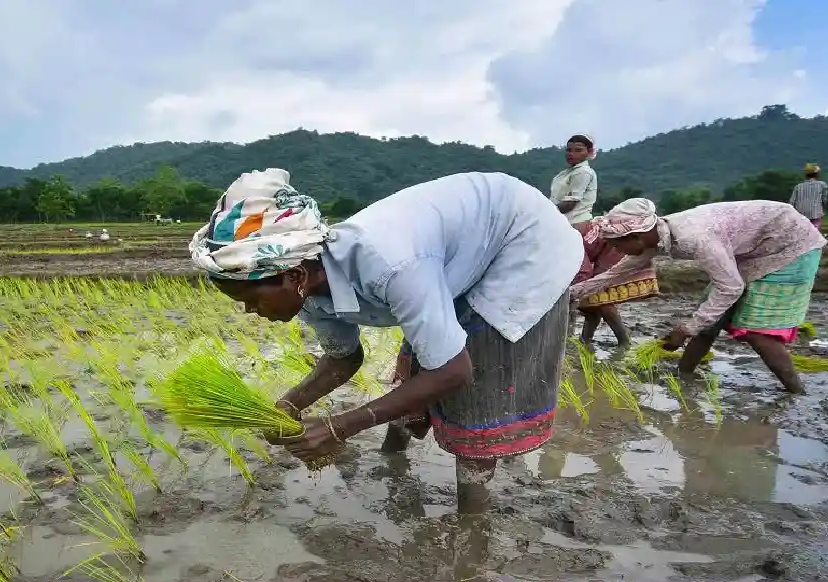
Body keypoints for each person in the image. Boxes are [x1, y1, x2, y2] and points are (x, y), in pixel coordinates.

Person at [190, 168, 584, 512]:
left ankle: (471, 525)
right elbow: (343, 359)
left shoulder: (391, 265)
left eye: (252, 299)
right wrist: (289, 404)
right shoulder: (308, 285)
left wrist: (340, 426)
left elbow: (453, 371)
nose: (249, 311)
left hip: (520, 239)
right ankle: (392, 463)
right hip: (453, 254)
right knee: (416, 366)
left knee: (474, 386)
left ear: (294, 277)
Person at [570, 198, 826, 394]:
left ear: (636, 236)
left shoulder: (695, 238)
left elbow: (730, 288)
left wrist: (687, 328)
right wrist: (571, 294)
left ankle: (795, 392)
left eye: (617, 245)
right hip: (754, 250)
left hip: (790, 245)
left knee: (759, 331)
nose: (616, 250)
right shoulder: (656, 237)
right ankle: (683, 376)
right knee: (710, 317)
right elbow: (615, 274)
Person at [571, 219, 659, 346]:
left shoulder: (567, 242)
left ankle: (624, 339)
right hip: (606, 246)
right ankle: (585, 339)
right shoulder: (565, 234)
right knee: (589, 303)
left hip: (614, 246)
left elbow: (584, 273)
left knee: (602, 298)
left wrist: (571, 296)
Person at [549, 134, 598, 225]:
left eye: (578, 150)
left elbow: (570, 203)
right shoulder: (567, 172)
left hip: (575, 222)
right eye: (569, 150)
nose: (571, 154)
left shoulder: (583, 171)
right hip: (563, 221)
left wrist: (546, 211)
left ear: (589, 152)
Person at [789, 162, 828, 230]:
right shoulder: (822, 185)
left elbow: (791, 202)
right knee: (815, 233)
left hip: (800, 215)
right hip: (815, 214)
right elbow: (825, 200)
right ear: (817, 174)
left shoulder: (798, 186)